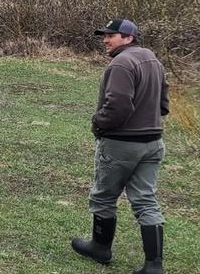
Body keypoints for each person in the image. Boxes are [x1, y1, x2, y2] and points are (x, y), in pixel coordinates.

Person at [71, 18, 169, 274]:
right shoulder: (152, 59)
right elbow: (164, 102)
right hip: (153, 142)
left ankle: (100, 248)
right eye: (104, 35)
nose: (105, 40)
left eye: (111, 35)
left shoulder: (122, 63)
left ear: (128, 38)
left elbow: (118, 105)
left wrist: (98, 124)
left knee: (103, 196)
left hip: (122, 143)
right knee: (146, 200)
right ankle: (154, 266)